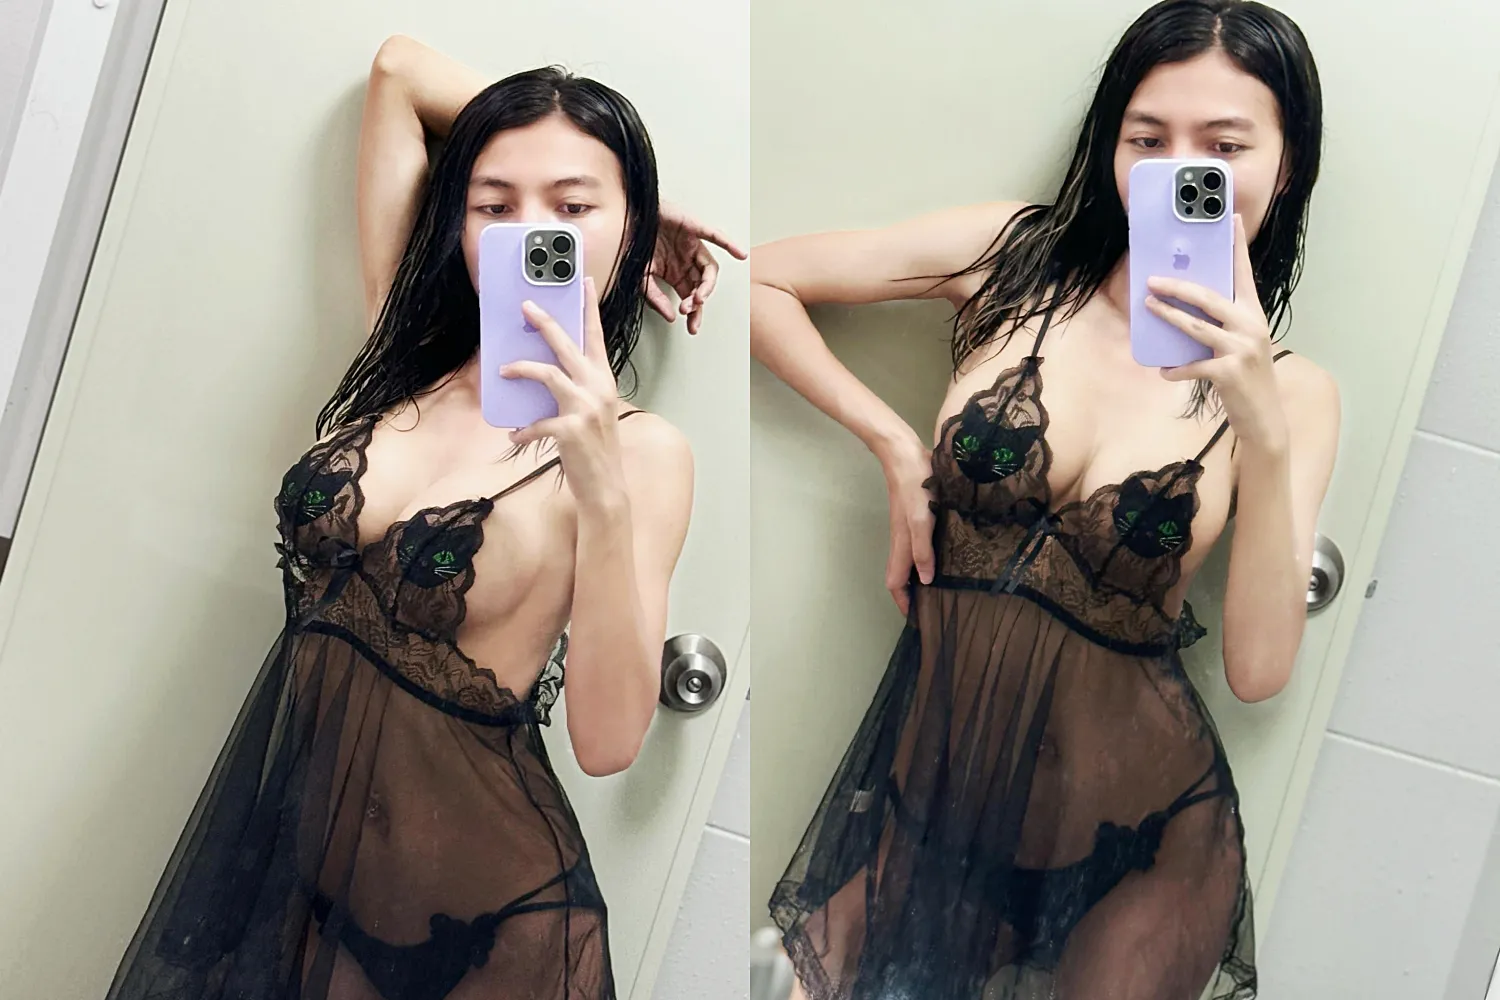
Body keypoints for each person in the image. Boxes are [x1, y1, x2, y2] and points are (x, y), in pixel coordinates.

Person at [106, 35, 743, 1000]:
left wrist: (602, 490)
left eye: (574, 209)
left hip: (490, 924)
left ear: (626, 231)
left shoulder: (643, 453)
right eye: (495, 206)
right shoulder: (398, 355)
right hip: (296, 877)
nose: (530, 233)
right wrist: (603, 189)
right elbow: (399, 71)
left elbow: (609, 744)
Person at [751, 2, 1338, 998]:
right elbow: (762, 284)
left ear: (1285, 169)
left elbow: (1259, 669)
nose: (1176, 171)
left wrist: (1264, 432)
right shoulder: (1013, 261)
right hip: (935, 810)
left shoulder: (1295, 396)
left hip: (1143, 848)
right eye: (1147, 139)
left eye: (1223, 147)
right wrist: (894, 447)